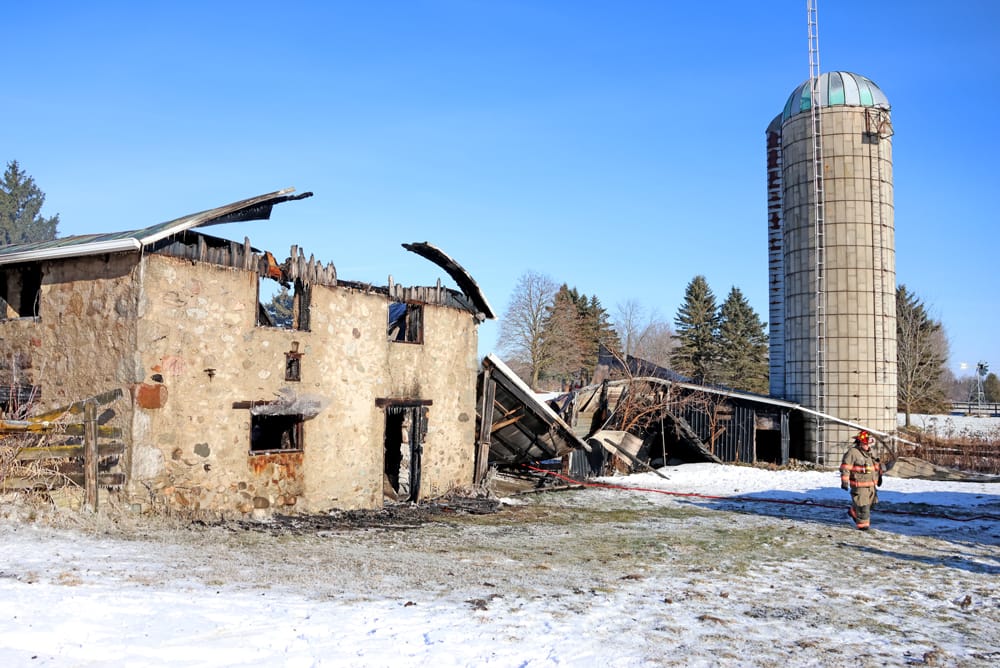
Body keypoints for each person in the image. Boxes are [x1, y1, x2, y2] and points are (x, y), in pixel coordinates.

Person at [839, 430, 883, 530]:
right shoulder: (852, 453)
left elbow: (876, 467)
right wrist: (844, 481)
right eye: (866, 444)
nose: (868, 446)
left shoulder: (870, 453)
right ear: (860, 443)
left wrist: (879, 476)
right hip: (859, 486)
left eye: (869, 444)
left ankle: (853, 512)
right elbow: (846, 467)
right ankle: (863, 527)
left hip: (871, 486)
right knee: (863, 508)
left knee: (870, 505)